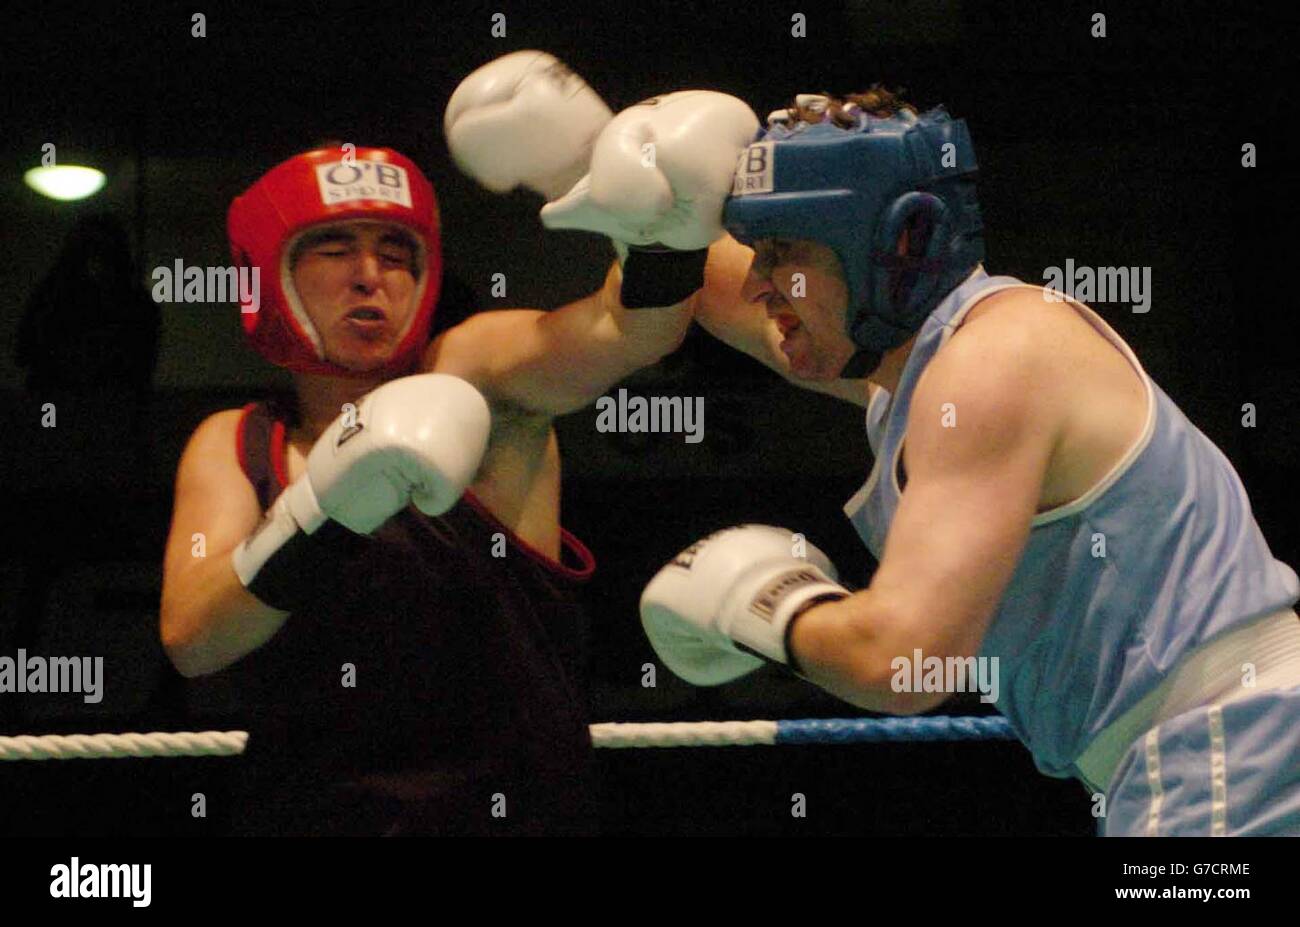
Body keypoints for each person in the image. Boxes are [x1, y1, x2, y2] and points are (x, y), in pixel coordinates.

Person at [567, 87, 1300, 836]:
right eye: (759, 248)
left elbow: (901, 658)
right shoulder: (920, 366)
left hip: (1233, 758)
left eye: (785, 250)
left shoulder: (993, 364)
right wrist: (603, 159)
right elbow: (710, 281)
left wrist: (764, 604)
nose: (760, 281)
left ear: (894, 246)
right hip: (1215, 757)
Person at [160, 56, 697, 834]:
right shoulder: (235, 443)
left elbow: (632, 329)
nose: (371, 275)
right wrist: (325, 507)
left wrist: (650, 215)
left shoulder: (479, 373)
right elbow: (191, 638)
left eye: (397, 250)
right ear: (268, 275)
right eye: (335, 247)